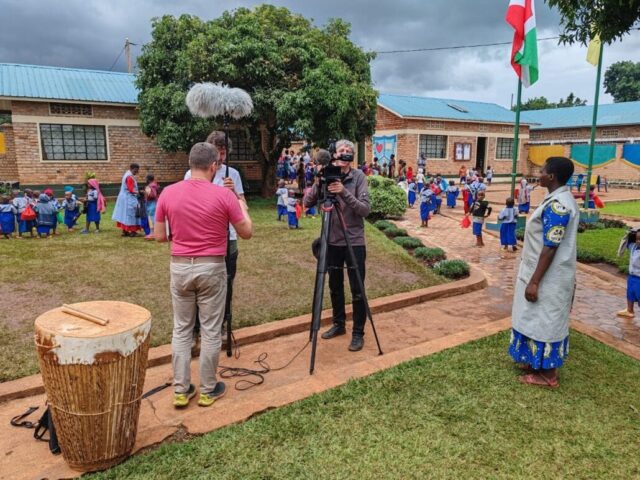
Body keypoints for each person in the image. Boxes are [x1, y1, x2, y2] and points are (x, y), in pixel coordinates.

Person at [155, 142, 253, 408]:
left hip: (179, 266)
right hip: (211, 266)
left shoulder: (168, 193)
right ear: (214, 166)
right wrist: (242, 205)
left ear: (190, 164)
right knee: (210, 330)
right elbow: (246, 232)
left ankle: (181, 389)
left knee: (181, 329)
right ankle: (208, 389)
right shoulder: (224, 195)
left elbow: (159, 236)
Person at [509, 157, 578, 389]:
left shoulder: (559, 205)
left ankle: (548, 375)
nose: (538, 174)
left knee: (547, 320)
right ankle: (535, 362)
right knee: (534, 317)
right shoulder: (556, 200)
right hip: (540, 272)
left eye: (542, 171)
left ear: (551, 176)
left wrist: (535, 282)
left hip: (549, 276)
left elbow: (550, 246)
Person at [303, 141, 370, 352]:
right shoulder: (326, 174)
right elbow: (307, 202)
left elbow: (364, 209)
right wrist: (319, 180)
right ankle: (339, 324)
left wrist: (343, 192)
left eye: (349, 151)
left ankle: (358, 332)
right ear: (334, 154)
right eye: (341, 151)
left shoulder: (358, 177)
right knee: (335, 286)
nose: (345, 154)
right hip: (331, 240)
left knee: (357, 288)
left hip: (354, 240)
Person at [616, 229, 640, 319]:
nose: (638, 241)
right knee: (630, 293)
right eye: (637, 239)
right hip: (632, 276)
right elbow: (628, 243)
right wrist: (629, 234)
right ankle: (629, 310)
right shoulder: (634, 247)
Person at [113, 163, 141, 237]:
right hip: (129, 198)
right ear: (131, 169)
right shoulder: (129, 177)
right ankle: (132, 231)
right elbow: (131, 190)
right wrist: (140, 192)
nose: (137, 172)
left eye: (137, 171)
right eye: (135, 170)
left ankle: (125, 231)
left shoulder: (126, 174)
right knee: (131, 214)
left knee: (124, 214)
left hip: (123, 197)